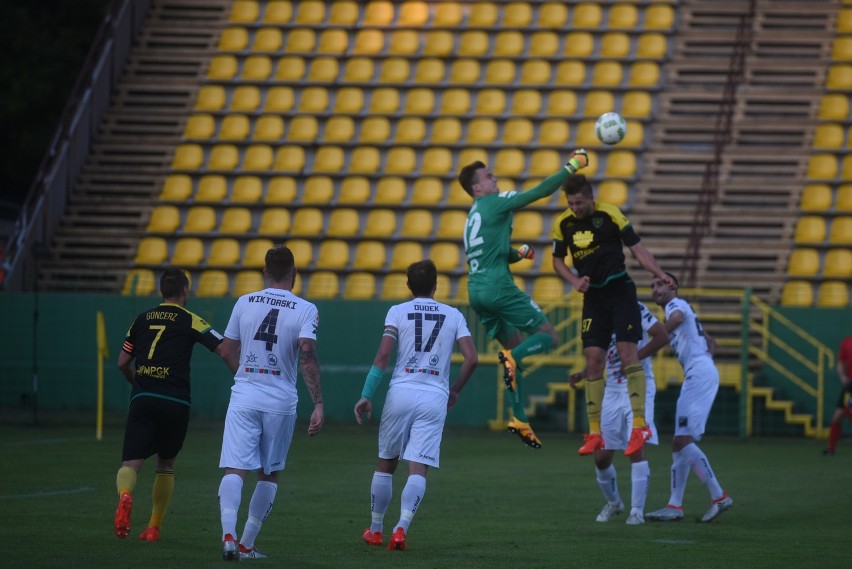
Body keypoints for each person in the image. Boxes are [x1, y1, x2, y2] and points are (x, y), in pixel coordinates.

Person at [458, 149, 589, 449]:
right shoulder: (494, 203)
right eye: (489, 176)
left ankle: (518, 417)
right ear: (477, 187)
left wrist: (518, 253)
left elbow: (490, 252)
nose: (495, 179)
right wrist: (571, 166)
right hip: (498, 286)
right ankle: (511, 359)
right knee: (549, 336)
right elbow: (538, 192)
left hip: (476, 290)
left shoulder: (473, 215)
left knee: (515, 352)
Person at [355, 260, 478, 551]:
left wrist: (366, 394)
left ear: (409, 286)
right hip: (435, 395)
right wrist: (454, 391)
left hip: (400, 392)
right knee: (418, 468)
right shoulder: (453, 315)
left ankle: (375, 530)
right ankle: (401, 529)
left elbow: (383, 356)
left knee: (386, 463)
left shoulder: (397, 312)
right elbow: (472, 359)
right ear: (437, 284)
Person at [551, 174, 675, 457]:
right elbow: (557, 260)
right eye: (570, 203)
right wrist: (573, 280)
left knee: (627, 352)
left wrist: (660, 274)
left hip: (620, 290)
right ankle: (594, 433)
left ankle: (640, 426)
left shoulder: (611, 214)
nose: (575, 208)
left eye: (579, 202)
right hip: (593, 297)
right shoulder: (563, 223)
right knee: (594, 360)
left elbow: (638, 250)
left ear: (590, 198)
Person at [216, 245, 325, 561]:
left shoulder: (243, 302)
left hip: (245, 396)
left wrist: (246, 376)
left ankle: (227, 534)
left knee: (235, 469)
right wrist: (318, 403)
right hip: (280, 401)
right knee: (269, 472)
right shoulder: (306, 309)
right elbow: (307, 355)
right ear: (294, 274)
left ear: (265, 272)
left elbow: (225, 350)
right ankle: (247, 545)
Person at [114, 267, 228, 542]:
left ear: (161, 291)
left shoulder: (141, 320)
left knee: (131, 462)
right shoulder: (191, 319)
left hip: (143, 397)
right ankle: (153, 527)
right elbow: (223, 347)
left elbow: (122, 362)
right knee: (165, 465)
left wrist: (137, 383)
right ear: (185, 291)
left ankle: (126, 495)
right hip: (175, 401)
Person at [570, 302, 669, 525]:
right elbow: (602, 355)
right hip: (612, 388)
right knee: (601, 456)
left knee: (636, 447)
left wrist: (635, 359)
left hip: (639, 383)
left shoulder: (634, 307)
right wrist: (584, 373)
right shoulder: (598, 312)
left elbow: (662, 336)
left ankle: (636, 511)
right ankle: (614, 503)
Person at [645, 273, 733, 523]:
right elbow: (711, 341)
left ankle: (719, 497)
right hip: (699, 371)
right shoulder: (682, 308)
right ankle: (674, 505)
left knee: (682, 440)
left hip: (698, 372)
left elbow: (677, 318)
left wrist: (657, 336)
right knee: (678, 442)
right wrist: (705, 360)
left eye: (660, 283)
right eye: (652, 285)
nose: (655, 288)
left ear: (673, 287)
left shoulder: (676, 305)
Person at [823, 335, 852, 455]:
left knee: (846, 411)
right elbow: (841, 362)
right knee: (838, 416)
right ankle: (831, 448)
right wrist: (843, 377)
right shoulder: (846, 342)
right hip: (849, 385)